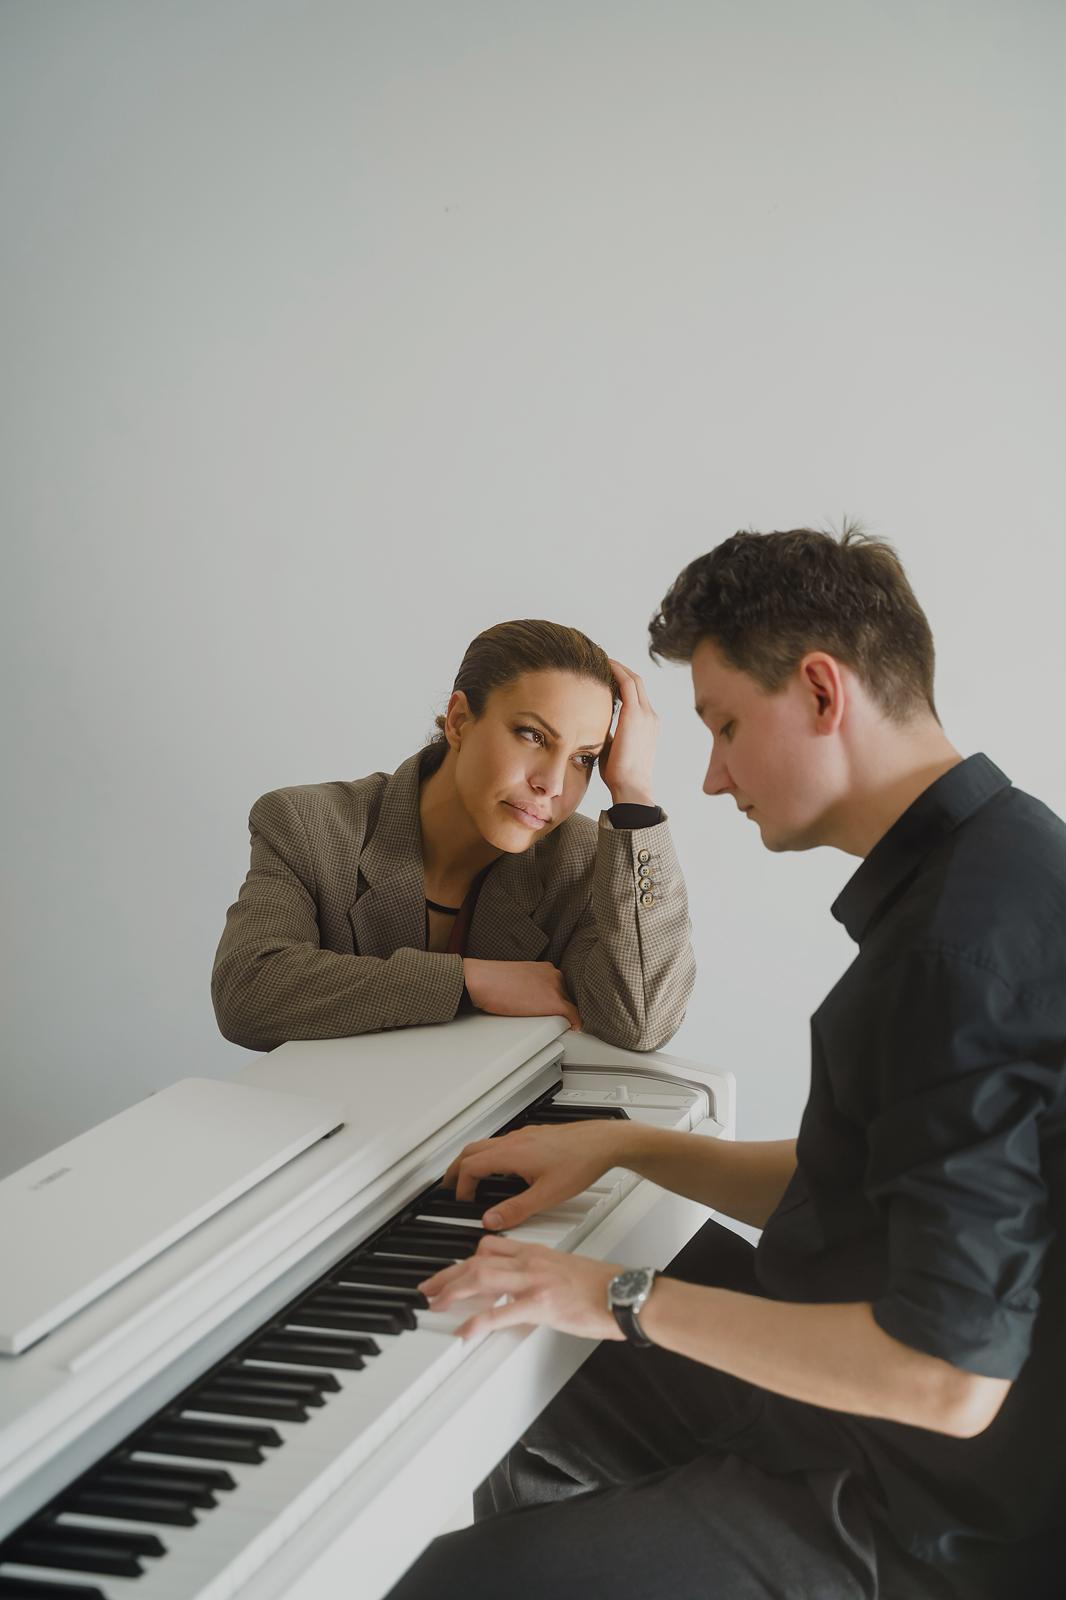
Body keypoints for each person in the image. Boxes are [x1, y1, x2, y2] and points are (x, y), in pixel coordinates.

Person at [387, 529, 1066, 1600]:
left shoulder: (956, 949)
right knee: (486, 1356)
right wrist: (626, 1145)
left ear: (819, 691)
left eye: (724, 725)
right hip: (872, 1429)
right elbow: (884, 1185)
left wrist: (614, 1291)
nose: (710, 776)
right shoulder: (1001, 858)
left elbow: (947, 1379)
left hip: (910, 1512)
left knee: (450, 1585)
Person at [211, 619, 695, 1053]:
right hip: (326, 1134)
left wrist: (633, 795)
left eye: (584, 758)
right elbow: (247, 992)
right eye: (533, 735)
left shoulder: (588, 862)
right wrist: (466, 981)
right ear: (460, 721)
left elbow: (642, 1022)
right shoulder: (308, 825)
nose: (551, 783)